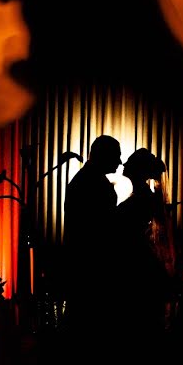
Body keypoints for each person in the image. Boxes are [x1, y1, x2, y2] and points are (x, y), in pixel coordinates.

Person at [61, 135, 122, 334]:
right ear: (104, 155)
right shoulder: (91, 183)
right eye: (116, 156)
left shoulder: (86, 180)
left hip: (83, 265)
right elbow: (101, 229)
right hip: (91, 268)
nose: (120, 162)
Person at [115, 148, 173, 338]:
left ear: (138, 170)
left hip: (135, 258)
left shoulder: (143, 198)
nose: (124, 165)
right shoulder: (142, 196)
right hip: (136, 254)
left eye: (129, 163)